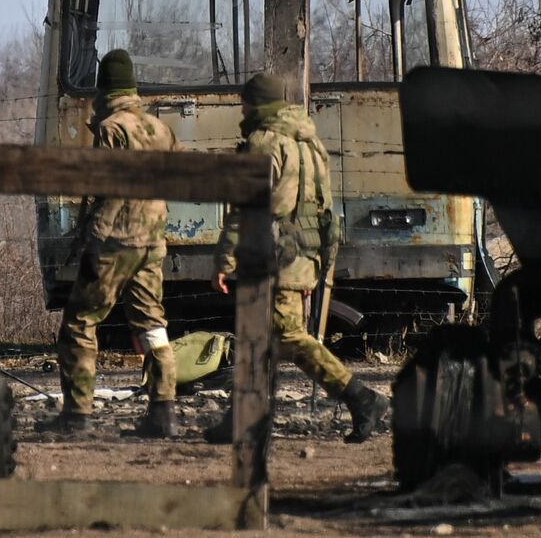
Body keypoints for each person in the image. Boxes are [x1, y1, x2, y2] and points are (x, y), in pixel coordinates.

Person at [206, 73, 389, 444]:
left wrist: (225, 260)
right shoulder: (311, 145)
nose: (241, 109)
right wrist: (321, 263)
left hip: (274, 257)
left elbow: (245, 208)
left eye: (244, 102)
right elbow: (326, 211)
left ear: (255, 104)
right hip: (303, 254)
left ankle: (362, 397)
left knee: (288, 335)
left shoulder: (263, 144)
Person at [37, 49, 182, 437]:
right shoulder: (160, 128)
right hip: (153, 244)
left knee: (80, 323)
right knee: (152, 325)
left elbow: (110, 191)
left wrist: (94, 242)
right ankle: (163, 410)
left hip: (117, 242)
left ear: (104, 87)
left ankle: (78, 414)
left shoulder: (111, 128)